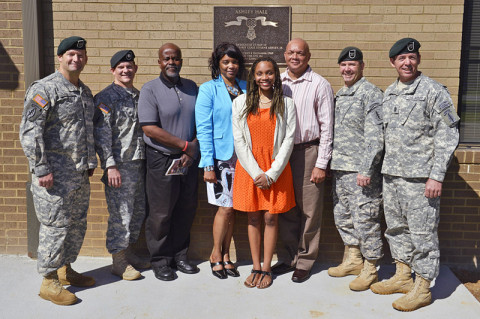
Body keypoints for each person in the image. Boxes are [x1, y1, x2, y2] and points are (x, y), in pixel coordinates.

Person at [370, 38, 459, 311]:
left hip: (421, 180)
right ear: (393, 62)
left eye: (412, 57)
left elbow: (447, 134)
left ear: (418, 60)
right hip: (393, 177)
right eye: (401, 59)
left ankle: (422, 287)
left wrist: (436, 176)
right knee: (396, 230)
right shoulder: (390, 93)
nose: (407, 62)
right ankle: (402, 275)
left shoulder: (433, 91)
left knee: (422, 234)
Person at [19, 36, 97, 305]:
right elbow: (30, 132)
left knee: (75, 225)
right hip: (53, 176)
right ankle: (49, 282)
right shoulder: (45, 89)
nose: (76, 59)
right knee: (55, 227)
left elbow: (84, 132)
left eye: (81, 55)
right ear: (60, 58)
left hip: (78, 174)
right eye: (71, 54)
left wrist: (89, 163)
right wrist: (41, 168)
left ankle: (66, 269)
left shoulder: (84, 92)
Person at [232, 57, 296, 289]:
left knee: (271, 217)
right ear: (254, 77)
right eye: (260, 73)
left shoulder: (287, 103)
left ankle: (267, 267)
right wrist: (257, 172)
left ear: (275, 76)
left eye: (269, 73)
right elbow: (239, 140)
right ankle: (256, 266)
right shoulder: (240, 103)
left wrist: (271, 173)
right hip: (250, 169)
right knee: (252, 217)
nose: (264, 77)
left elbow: (289, 139)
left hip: (275, 169)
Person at [138, 43, 200, 281]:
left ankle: (180, 256)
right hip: (162, 160)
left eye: (176, 58)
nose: (171, 62)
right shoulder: (150, 89)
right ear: (159, 62)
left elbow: (202, 121)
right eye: (167, 59)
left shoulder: (192, 87)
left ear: (181, 61)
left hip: (189, 160)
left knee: (186, 209)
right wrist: (184, 145)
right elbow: (150, 129)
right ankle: (161, 260)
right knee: (161, 213)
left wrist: (192, 148)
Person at [275, 38, 334, 283]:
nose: (295, 57)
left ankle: (305, 261)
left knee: (310, 210)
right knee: (287, 208)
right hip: (282, 154)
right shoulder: (277, 80)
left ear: (308, 56)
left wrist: (322, 163)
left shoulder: (319, 84)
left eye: (301, 53)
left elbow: (328, 126)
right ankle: (288, 258)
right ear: (285, 54)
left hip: (309, 151)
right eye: (291, 52)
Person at [328, 47, 384, 291]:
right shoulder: (341, 94)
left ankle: (371, 268)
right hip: (340, 169)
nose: (347, 69)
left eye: (352, 65)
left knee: (366, 220)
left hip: (361, 173)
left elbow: (375, 136)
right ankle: (353, 259)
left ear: (362, 66)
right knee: (343, 216)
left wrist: (366, 169)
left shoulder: (370, 94)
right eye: (343, 65)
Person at [93, 50, 150, 281]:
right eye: (120, 67)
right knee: (121, 215)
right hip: (120, 167)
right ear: (113, 71)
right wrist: (110, 166)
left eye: (129, 66)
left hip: (139, 164)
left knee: (137, 212)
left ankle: (129, 254)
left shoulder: (139, 96)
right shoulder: (105, 98)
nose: (125, 70)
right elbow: (102, 134)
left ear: (135, 68)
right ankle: (118, 261)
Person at [195, 43, 247, 279]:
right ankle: (215, 254)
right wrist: (208, 164)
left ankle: (226, 255)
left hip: (243, 158)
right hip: (220, 159)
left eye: (234, 62)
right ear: (217, 64)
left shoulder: (246, 88)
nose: (231, 66)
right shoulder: (208, 89)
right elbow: (203, 128)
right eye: (226, 61)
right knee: (224, 208)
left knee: (233, 209)